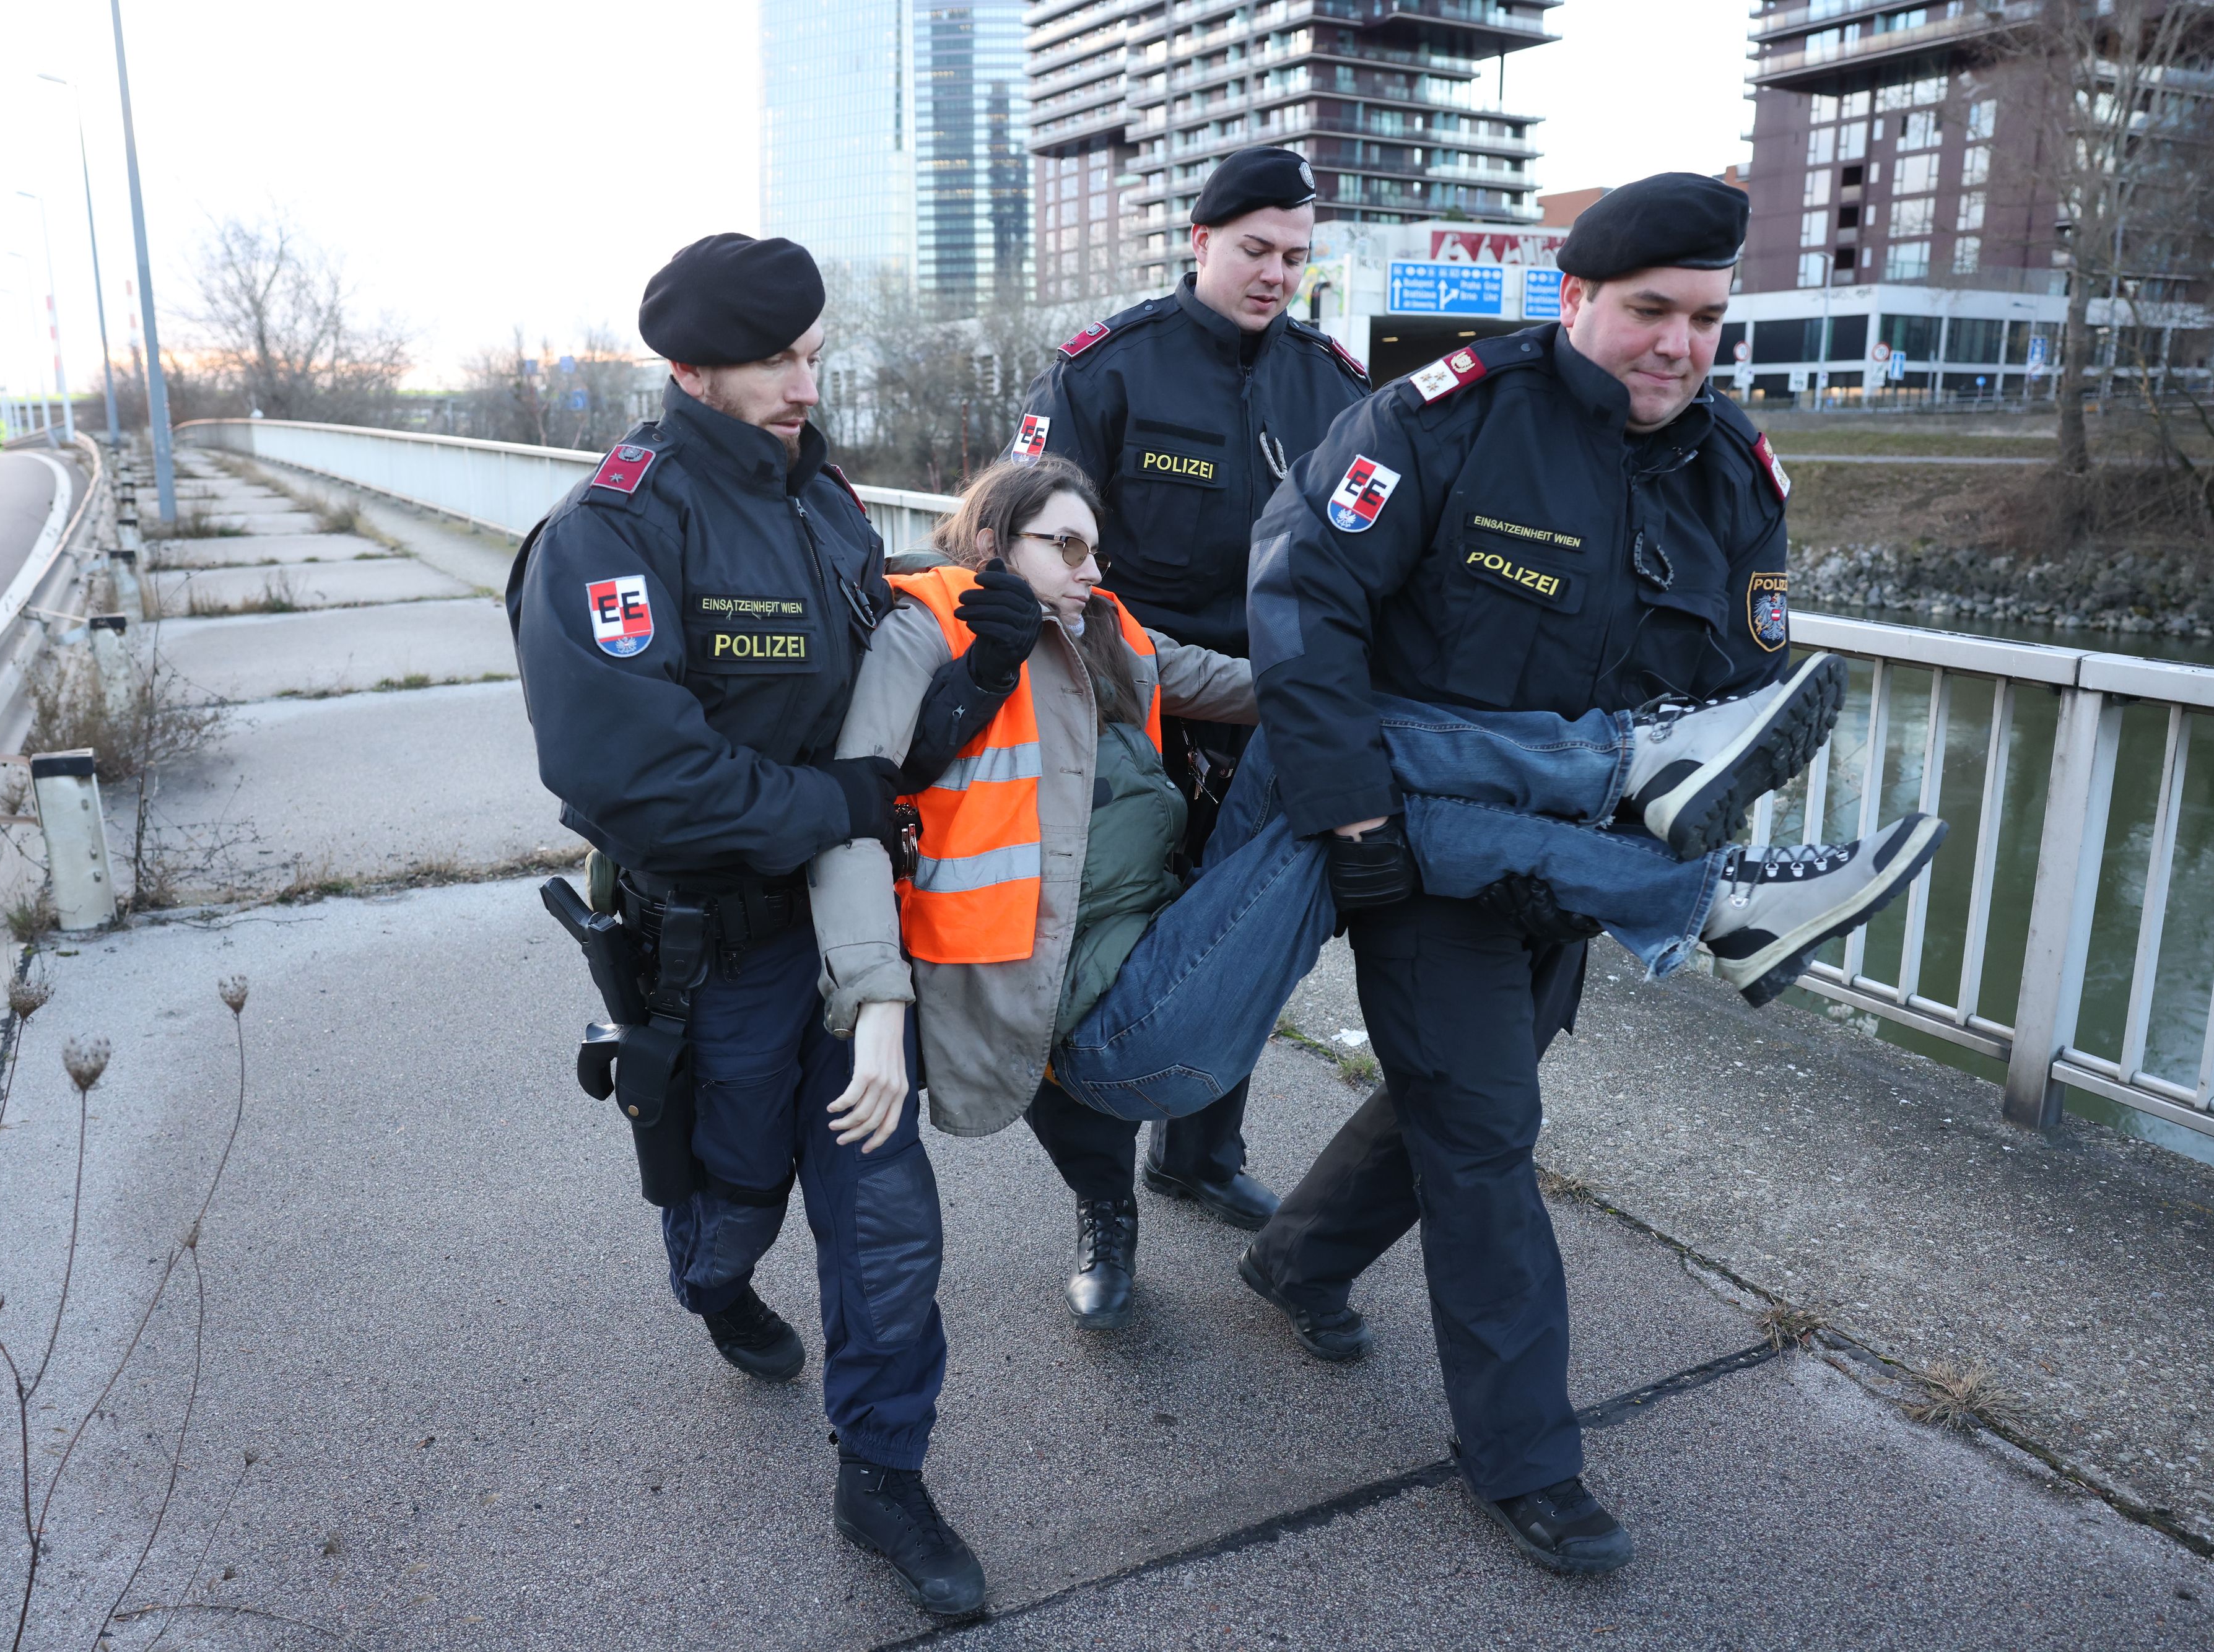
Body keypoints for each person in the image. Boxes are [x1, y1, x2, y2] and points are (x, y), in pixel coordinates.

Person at [806, 459, 1940, 1332]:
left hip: (1171, 944)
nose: (1091, 568)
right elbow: (853, 823)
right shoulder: (930, 627)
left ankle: (1696, 874)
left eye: (1097, 549)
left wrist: (1385, 651)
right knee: (1333, 805)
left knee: (1335, 733)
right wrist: (875, 1012)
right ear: (996, 538)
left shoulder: (1114, 639)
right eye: (1066, 548)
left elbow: (1277, 688)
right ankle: (1653, 804)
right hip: (1105, 1027)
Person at [1236, 172, 1849, 1577]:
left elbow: (1725, 711)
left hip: (1573, 866)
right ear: (1573, 298)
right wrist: (1351, 825)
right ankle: (1524, 1453)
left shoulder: (1731, 471)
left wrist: (1627, 852)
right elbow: (1302, 602)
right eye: (1649, 311)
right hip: (1417, 852)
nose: (1678, 346)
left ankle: (1296, 1257)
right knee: (1484, 1133)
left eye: (1704, 318)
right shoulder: (1436, 420)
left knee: (1463, 1086)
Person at [504, 233, 985, 1616]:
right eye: (776, 358)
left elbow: (883, 725)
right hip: (707, 952)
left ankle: (881, 1468)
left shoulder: (824, 503)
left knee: (885, 1219)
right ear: (690, 366)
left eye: (814, 353)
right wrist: (831, 801)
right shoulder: (616, 528)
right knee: (724, 1205)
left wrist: (981, 653)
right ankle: (716, 1287)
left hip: (846, 940)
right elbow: (628, 775)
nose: (802, 381)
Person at [1005, 146, 1371, 1269]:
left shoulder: (1337, 385)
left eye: (1296, 257)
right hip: (1125, 722)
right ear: (1200, 241)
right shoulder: (1105, 371)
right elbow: (1026, 541)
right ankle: (1103, 1212)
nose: (1275, 274)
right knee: (1093, 968)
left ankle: (1201, 1154)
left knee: (1243, 944)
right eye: (1254, 249)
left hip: (1270, 719)